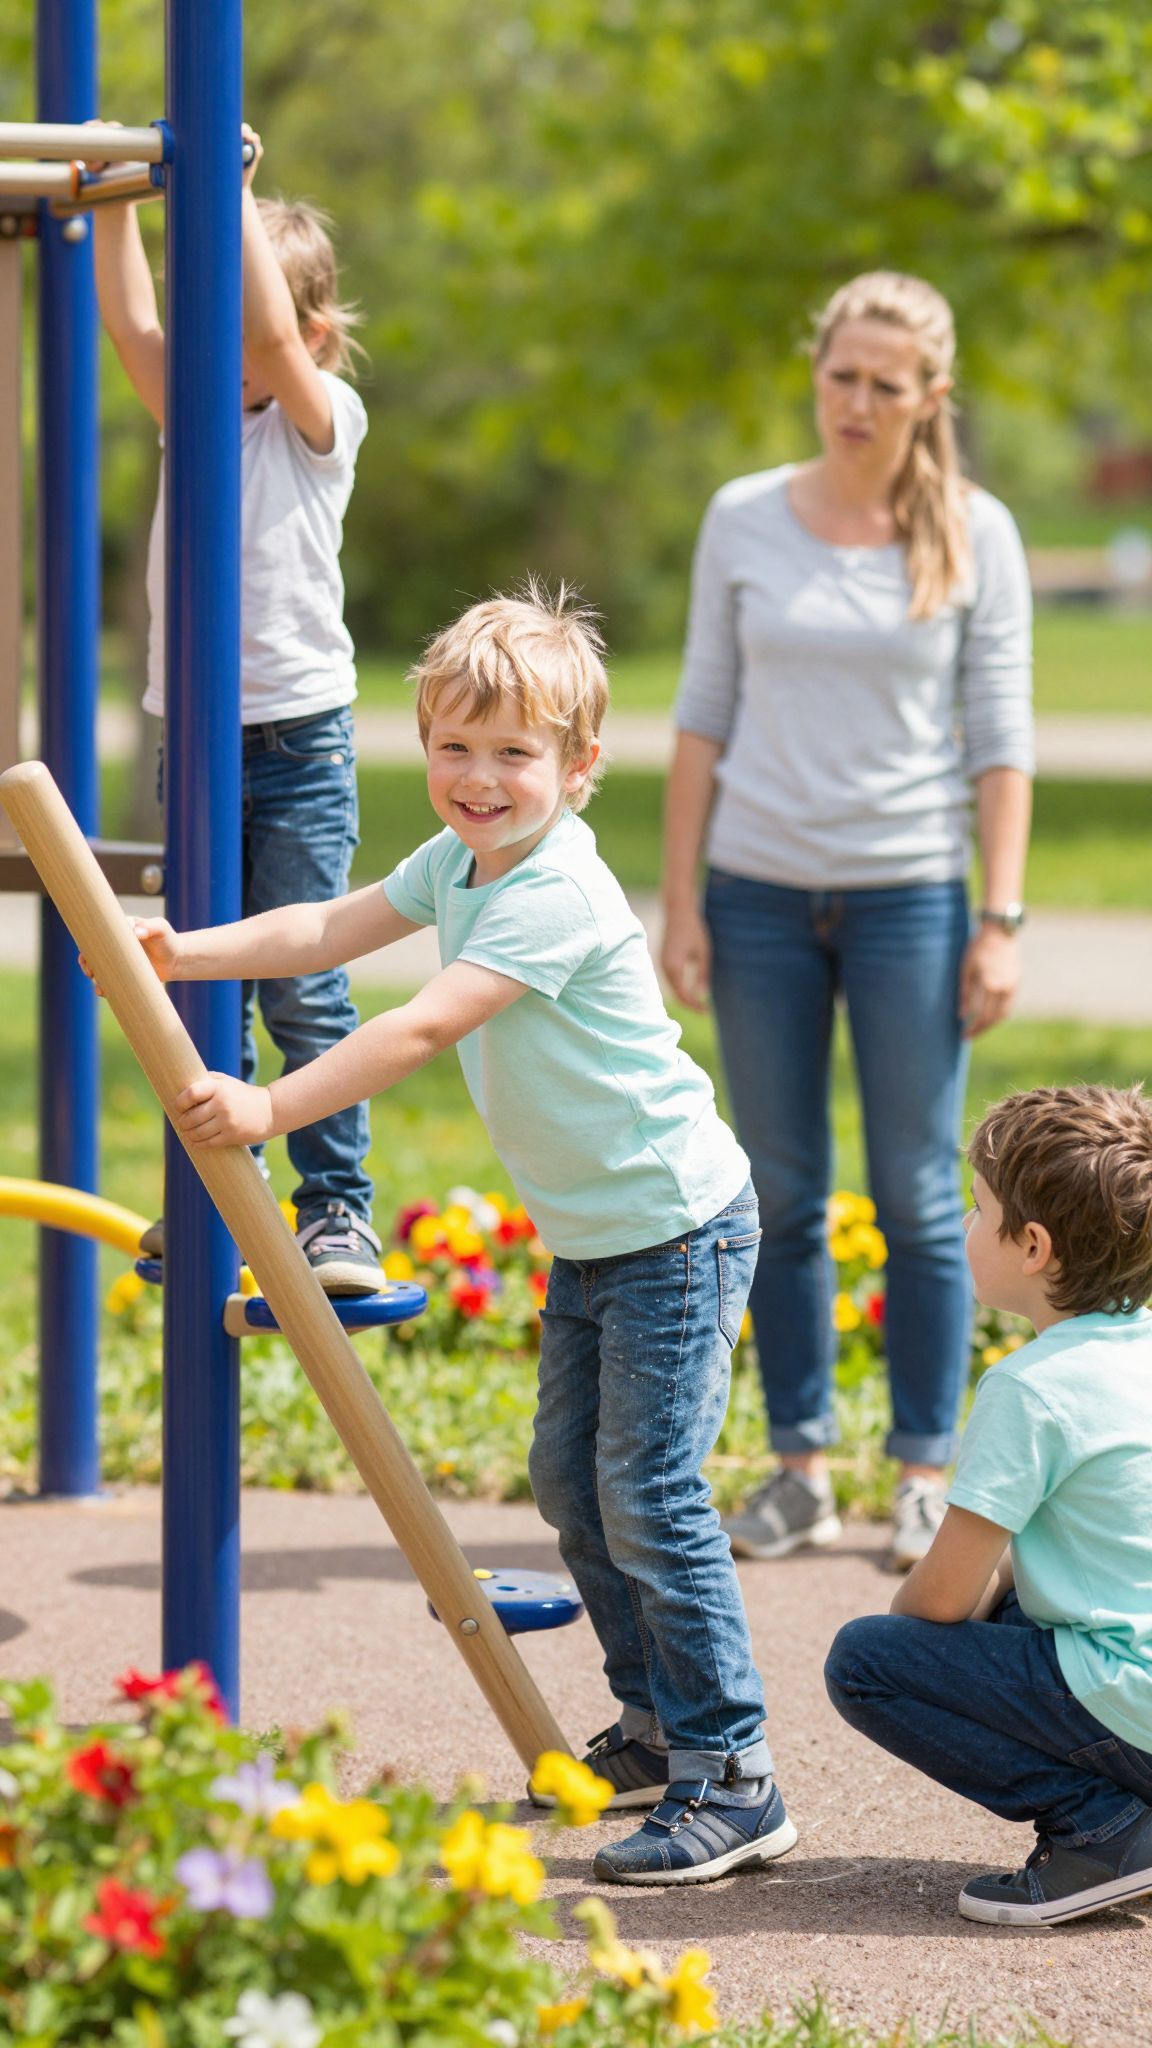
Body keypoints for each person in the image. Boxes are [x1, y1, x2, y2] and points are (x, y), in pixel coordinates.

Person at [118, 587, 797, 1887]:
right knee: (569, 1485)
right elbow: (326, 928)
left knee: (647, 1493)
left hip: (677, 1227)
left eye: (514, 755)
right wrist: (185, 953)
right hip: (598, 1235)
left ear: (580, 770)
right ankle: (654, 1730)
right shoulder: (461, 864)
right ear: (423, 744)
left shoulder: (558, 890)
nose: (478, 780)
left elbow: (420, 1025)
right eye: (454, 749)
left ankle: (738, 1771)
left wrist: (271, 1104)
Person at [661, 270, 1034, 1569]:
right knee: (781, 1191)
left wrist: (1000, 919)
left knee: (924, 1197)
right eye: (841, 377)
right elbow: (701, 711)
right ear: (814, 373)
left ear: (930, 397)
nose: (858, 403)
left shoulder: (979, 533)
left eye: (887, 384)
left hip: (912, 900)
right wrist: (682, 899)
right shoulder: (744, 519)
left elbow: (1003, 742)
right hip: (756, 892)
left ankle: (923, 1472)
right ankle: (799, 1468)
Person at [89, 123, 382, 1293]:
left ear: (312, 335)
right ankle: (216, 1196)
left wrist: (228, 189)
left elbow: (260, 326)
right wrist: (118, 199)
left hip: (299, 738)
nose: (215, 346)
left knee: (302, 983)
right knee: (198, 973)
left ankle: (338, 1209)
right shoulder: (196, 410)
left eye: (245, 323)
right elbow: (132, 325)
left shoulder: (322, 424)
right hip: (196, 738)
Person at [825, 1085, 1152, 1927]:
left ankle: (1103, 1828)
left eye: (979, 1211)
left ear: (1033, 1246)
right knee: (1013, 1611)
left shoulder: (1030, 1389)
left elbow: (935, 1604)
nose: (968, 1228)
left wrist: (927, 1622)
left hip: (1134, 1701)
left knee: (869, 1660)